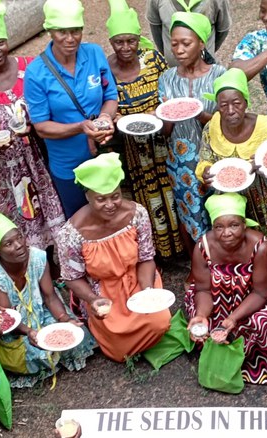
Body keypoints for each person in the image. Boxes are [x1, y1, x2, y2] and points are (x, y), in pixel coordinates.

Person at [0, 3, 66, 252]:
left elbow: (51, 104)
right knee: (18, 228)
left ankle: (55, 263)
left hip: (40, 157)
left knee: (50, 212)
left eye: (0, 42)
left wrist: (37, 125)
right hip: (2, 170)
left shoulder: (30, 66)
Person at [55, 154, 170, 362]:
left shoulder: (137, 214)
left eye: (115, 196)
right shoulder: (71, 234)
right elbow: (72, 278)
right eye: (101, 199)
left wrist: (147, 292)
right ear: (87, 196)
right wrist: (93, 300)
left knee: (159, 322)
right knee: (119, 349)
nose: (110, 204)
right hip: (102, 292)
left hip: (138, 279)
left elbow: (146, 258)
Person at [0, 213, 94, 387]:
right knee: (35, 355)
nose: (19, 245)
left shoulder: (37, 257)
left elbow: (50, 297)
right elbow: (8, 318)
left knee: (75, 334)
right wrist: (29, 331)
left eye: (19, 237)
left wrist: (65, 319)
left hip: (42, 311)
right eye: (8, 244)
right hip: (16, 327)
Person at [185, 193, 267, 384]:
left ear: (244, 225)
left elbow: (261, 293)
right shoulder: (203, 246)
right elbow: (203, 289)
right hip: (215, 301)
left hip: (251, 301)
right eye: (219, 227)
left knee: (261, 322)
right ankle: (222, 357)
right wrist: (202, 314)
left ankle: (251, 363)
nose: (226, 233)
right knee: (200, 323)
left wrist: (232, 319)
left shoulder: (260, 247)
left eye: (234, 225)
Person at [24, 0, 118, 218]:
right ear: (49, 31)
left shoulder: (94, 54)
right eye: (62, 32)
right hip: (69, 164)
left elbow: (110, 96)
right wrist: (80, 127)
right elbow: (42, 127)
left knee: (110, 212)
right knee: (81, 219)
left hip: (103, 154)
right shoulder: (36, 73)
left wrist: (105, 117)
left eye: (75, 30)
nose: (70, 38)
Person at [105, 0, 183, 261]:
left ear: (139, 39)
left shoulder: (153, 59)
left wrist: (158, 112)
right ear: (111, 42)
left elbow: (168, 92)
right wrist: (117, 118)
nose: (126, 47)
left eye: (131, 41)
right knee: (148, 197)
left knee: (172, 190)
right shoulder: (106, 70)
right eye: (119, 42)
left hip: (162, 140)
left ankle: (181, 248)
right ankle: (160, 253)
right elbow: (106, 104)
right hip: (134, 147)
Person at [196, 68, 267, 245]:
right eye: (223, 105)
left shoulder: (266, 126)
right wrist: (206, 171)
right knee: (239, 243)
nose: (231, 110)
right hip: (230, 201)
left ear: (246, 102)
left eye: (237, 103)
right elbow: (205, 158)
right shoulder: (212, 127)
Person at [158, 12, 226, 243]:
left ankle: (225, 258)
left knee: (221, 210)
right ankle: (199, 259)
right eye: (174, 44)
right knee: (189, 213)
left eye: (186, 43)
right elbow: (166, 132)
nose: (179, 50)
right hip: (181, 161)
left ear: (201, 43)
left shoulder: (219, 75)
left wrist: (202, 115)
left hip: (214, 155)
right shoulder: (167, 78)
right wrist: (166, 113)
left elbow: (229, 121)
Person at [147, 0, 232, 67]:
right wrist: (169, 54)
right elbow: (156, 31)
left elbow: (222, 31)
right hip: (172, 69)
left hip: (205, 67)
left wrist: (206, 50)